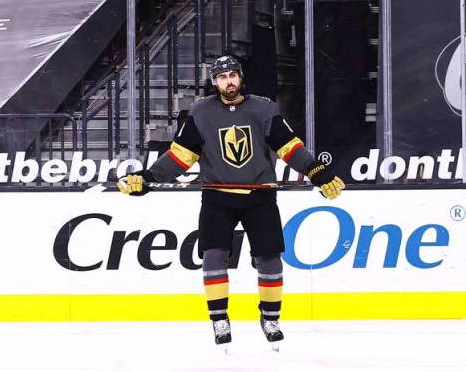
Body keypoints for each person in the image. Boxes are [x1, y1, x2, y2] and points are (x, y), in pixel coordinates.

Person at [119, 55, 345, 349]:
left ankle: (270, 317)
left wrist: (317, 172)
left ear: (241, 77)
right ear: (215, 82)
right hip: (217, 198)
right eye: (222, 77)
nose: (228, 81)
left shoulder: (263, 109)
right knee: (213, 256)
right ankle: (219, 319)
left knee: (270, 259)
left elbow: (290, 148)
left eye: (232, 75)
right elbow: (180, 156)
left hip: (260, 196)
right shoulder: (200, 113)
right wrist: (148, 177)